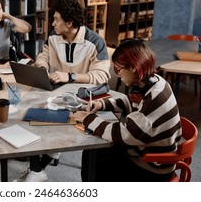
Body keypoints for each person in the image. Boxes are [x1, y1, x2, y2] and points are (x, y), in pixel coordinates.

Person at [16, 0, 111, 182]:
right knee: (24, 111)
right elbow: (43, 56)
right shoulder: (53, 36)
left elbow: (101, 76)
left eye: (56, 19)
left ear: (69, 23)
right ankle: (46, 159)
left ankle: (37, 170)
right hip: (55, 93)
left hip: (80, 100)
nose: (52, 23)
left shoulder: (95, 42)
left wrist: (71, 76)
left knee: (36, 117)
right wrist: (42, 66)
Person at [75, 39, 182, 181]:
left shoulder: (154, 100)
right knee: (94, 152)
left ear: (133, 67)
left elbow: (124, 134)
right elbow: (131, 103)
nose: (118, 75)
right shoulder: (156, 81)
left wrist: (88, 119)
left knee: (94, 157)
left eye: (118, 70)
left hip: (151, 169)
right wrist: (102, 104)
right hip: (152, 156)